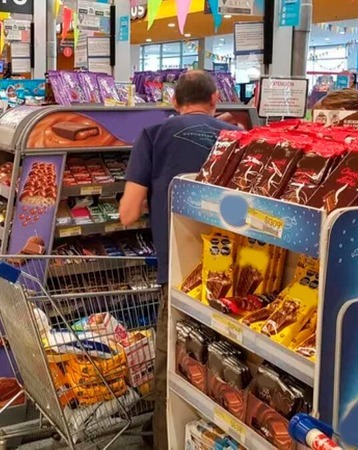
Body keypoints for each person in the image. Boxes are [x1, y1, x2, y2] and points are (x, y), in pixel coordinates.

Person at [119, 70, 238, 450]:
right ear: (215, 99)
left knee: (171, 362)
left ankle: (163, 439)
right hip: (237, 276)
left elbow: (128, 214)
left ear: (174, 101)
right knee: (227, 366)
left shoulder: (153, 135)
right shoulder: (234, 137)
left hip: (179, 273)